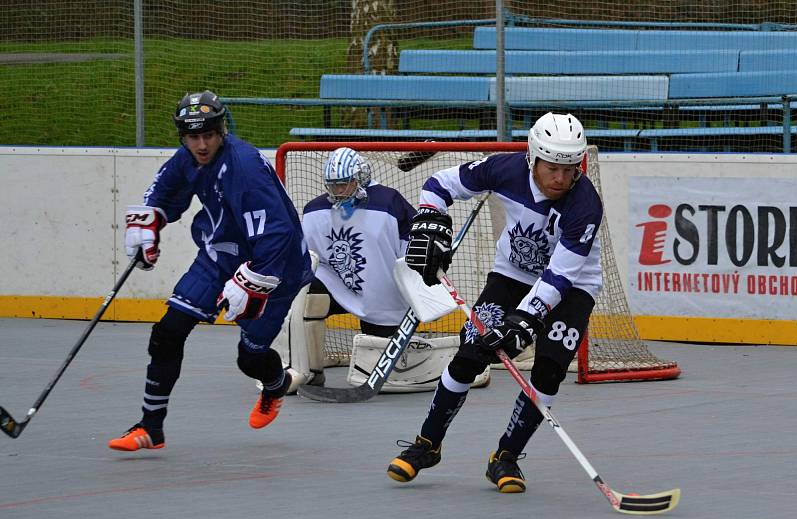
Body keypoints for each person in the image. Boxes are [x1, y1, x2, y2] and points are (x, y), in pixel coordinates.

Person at [386, 112, 602, 493]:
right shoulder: (504, 168)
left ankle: (506, 456)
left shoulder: (584, 205)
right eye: (553, 168)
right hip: (513, 275)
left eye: (571, 169)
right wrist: (430, 219)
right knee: (470, 353)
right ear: (533, 157)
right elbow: (438, 184)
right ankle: (427, 444)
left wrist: (524, 322)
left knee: (549, 370)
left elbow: (558, 277)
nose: (562, 179)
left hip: (572, 288)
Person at [108, 90, 313, 452]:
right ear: (183, 137)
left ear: (221, 131)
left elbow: (278, 233)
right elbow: (164, 190)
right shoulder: (189, 157)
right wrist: (149, 220)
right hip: (220, 255)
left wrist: (254, 281)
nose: (201, 145)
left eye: (208, 135)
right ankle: (150, 426)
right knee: (168, 332)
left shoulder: (245, 169)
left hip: (275, 266)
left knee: (249, 357)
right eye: (192, 137)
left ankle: (276, 382)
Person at [293, 147, 417, 387]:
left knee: (384, 369)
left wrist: (415, 287)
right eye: (334, 185)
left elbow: (412, 246)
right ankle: (310, 369)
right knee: (305, 298)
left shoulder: (389, 201)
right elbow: (307, 257)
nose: (339, 191)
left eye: (344, 184)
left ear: (361, 177)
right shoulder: (314, 211)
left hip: (382, 295)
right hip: (337, 286)